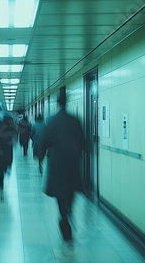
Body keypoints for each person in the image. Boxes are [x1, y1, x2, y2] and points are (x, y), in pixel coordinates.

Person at [36, 92, 86, 242]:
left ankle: (63, 217)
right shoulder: (75, 121)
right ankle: (68, 212)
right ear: (67, 102)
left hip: (57, 163)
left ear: (57, 103)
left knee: (59, 192)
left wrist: (41, 155)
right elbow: (83, 142)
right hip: (73, 163)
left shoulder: (51, 121)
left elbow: (44, 141)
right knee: (71, 190)